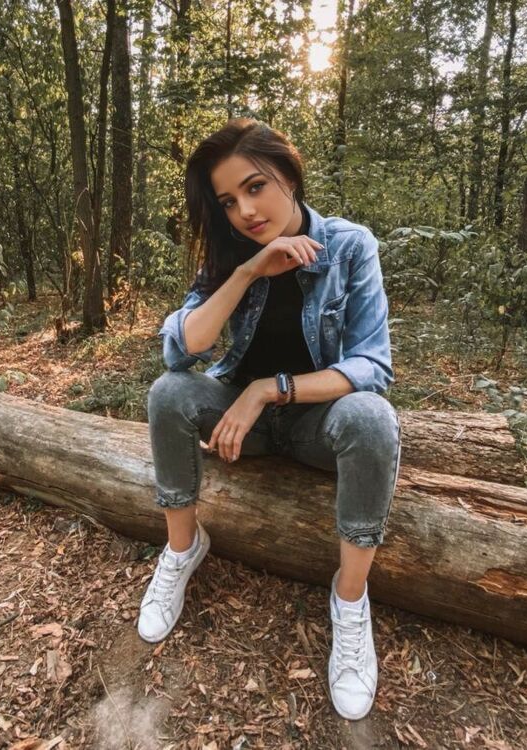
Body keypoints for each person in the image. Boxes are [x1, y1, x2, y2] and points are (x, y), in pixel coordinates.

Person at [138, 118, 401, 721]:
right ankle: (182, 549)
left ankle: (350, 600)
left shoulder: (349, 246)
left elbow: (372, 365)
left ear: (289, 173)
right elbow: (184, 349)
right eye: (229, 201)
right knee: (169, 393)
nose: (246, 211)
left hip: (315, 425)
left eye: (255, 187)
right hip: (241, 428)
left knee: (371, 417)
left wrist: (269, 388)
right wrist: (248, 271)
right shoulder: (233, 253)